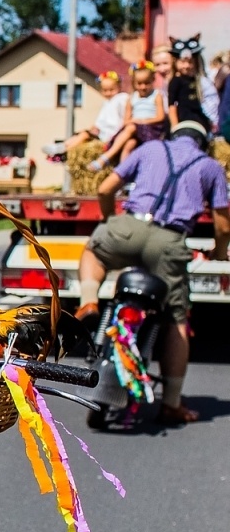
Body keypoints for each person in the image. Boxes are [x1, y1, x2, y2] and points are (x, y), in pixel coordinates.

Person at [77, 121, 230, 425]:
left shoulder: (149, 148)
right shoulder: (211, 166)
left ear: (173, 136)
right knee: (177, 318)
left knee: (93, 252)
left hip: (129, 225)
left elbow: (105, 187)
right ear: (204, 143)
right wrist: (219, 250)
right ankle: (171, 403)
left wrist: (111, 222)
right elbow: (224, 225)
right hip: (169, 241)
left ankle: (88, 301)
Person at [91, 62, 167, 170]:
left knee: (131, 127)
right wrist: (135, 122)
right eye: (139, 83)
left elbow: (160, 117)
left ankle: (106, 156)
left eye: (147, 83)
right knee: (129, 145)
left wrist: (142, 121)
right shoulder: (132, 98)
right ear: (134, 83)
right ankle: (124, 172)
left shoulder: (156, 95)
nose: (143, 87)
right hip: (135, 131)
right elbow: (126, 120)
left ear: (152, 81)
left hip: (151, 129)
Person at [44, 70, 126, 156]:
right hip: (102, 134)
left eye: (112, 90)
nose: (108, 93)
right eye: (105, 90)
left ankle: (65, 151)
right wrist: (91, 129)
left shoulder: (121, 98)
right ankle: (62, 145)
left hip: (110, 135)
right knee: (80, 134)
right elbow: (98, 124)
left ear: (119, 87)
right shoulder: (106, 103)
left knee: (85, 135)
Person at [168, 35, 212, 130]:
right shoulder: (176, 81)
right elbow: (172, 105)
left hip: (197, 116)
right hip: (183, 117)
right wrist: (175, 126)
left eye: (190, 62)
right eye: (183, 62)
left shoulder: (198, 80)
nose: (187, 66)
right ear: (175, 62)